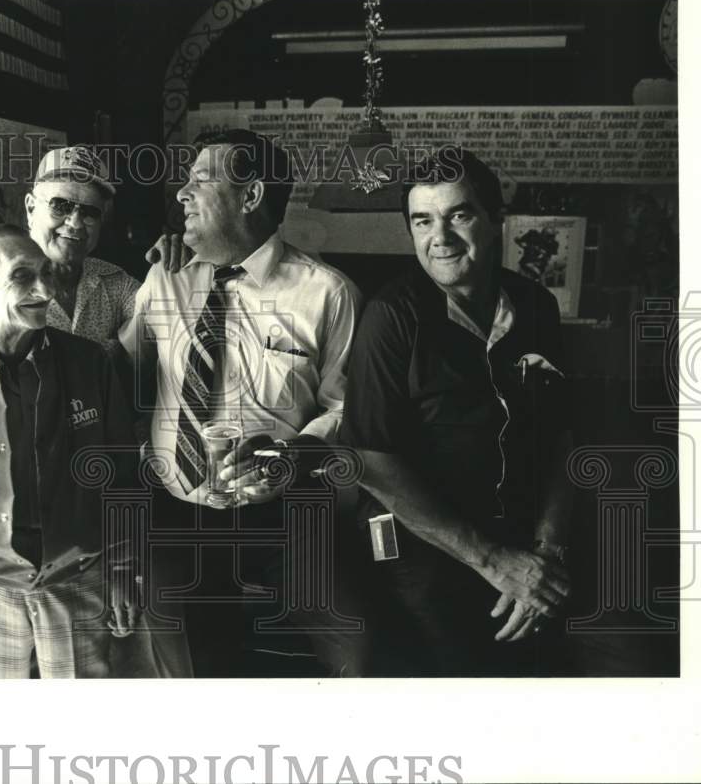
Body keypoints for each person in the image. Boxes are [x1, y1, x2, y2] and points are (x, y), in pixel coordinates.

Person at [119, 129, 368, 676]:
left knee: (357, 655)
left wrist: (291, 458)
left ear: (250, 196)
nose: (181, 193)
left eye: (199, 181)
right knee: (185, 666)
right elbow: (120, 378)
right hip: (175, 507)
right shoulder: (165, 277)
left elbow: (345, 409)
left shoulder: (327, 293)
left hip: (287, 509)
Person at [0, 224, 183, 679]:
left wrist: (121, 569)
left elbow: (122, 479)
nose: (44, 290)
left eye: (46, 274)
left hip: (76, 580)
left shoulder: (91, 364)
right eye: (21, 276)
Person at [340, 149, 574, 675]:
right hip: (415, 537)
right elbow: (372, 462)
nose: (439, 237)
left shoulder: (537, 305)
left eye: (459, 215)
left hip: (518, 529)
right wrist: (498, 564)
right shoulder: (391, 317)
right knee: (460, 664)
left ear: (497, 221)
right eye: (423, 220)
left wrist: (549, 547)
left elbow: (560, 435)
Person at [0, 145, 185, 548]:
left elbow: (169, 324)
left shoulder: (114, 285)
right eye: (60, 205)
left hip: (81, 498)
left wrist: (176, 266)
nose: (75, 223)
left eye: (90, 211)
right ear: (30, 207)